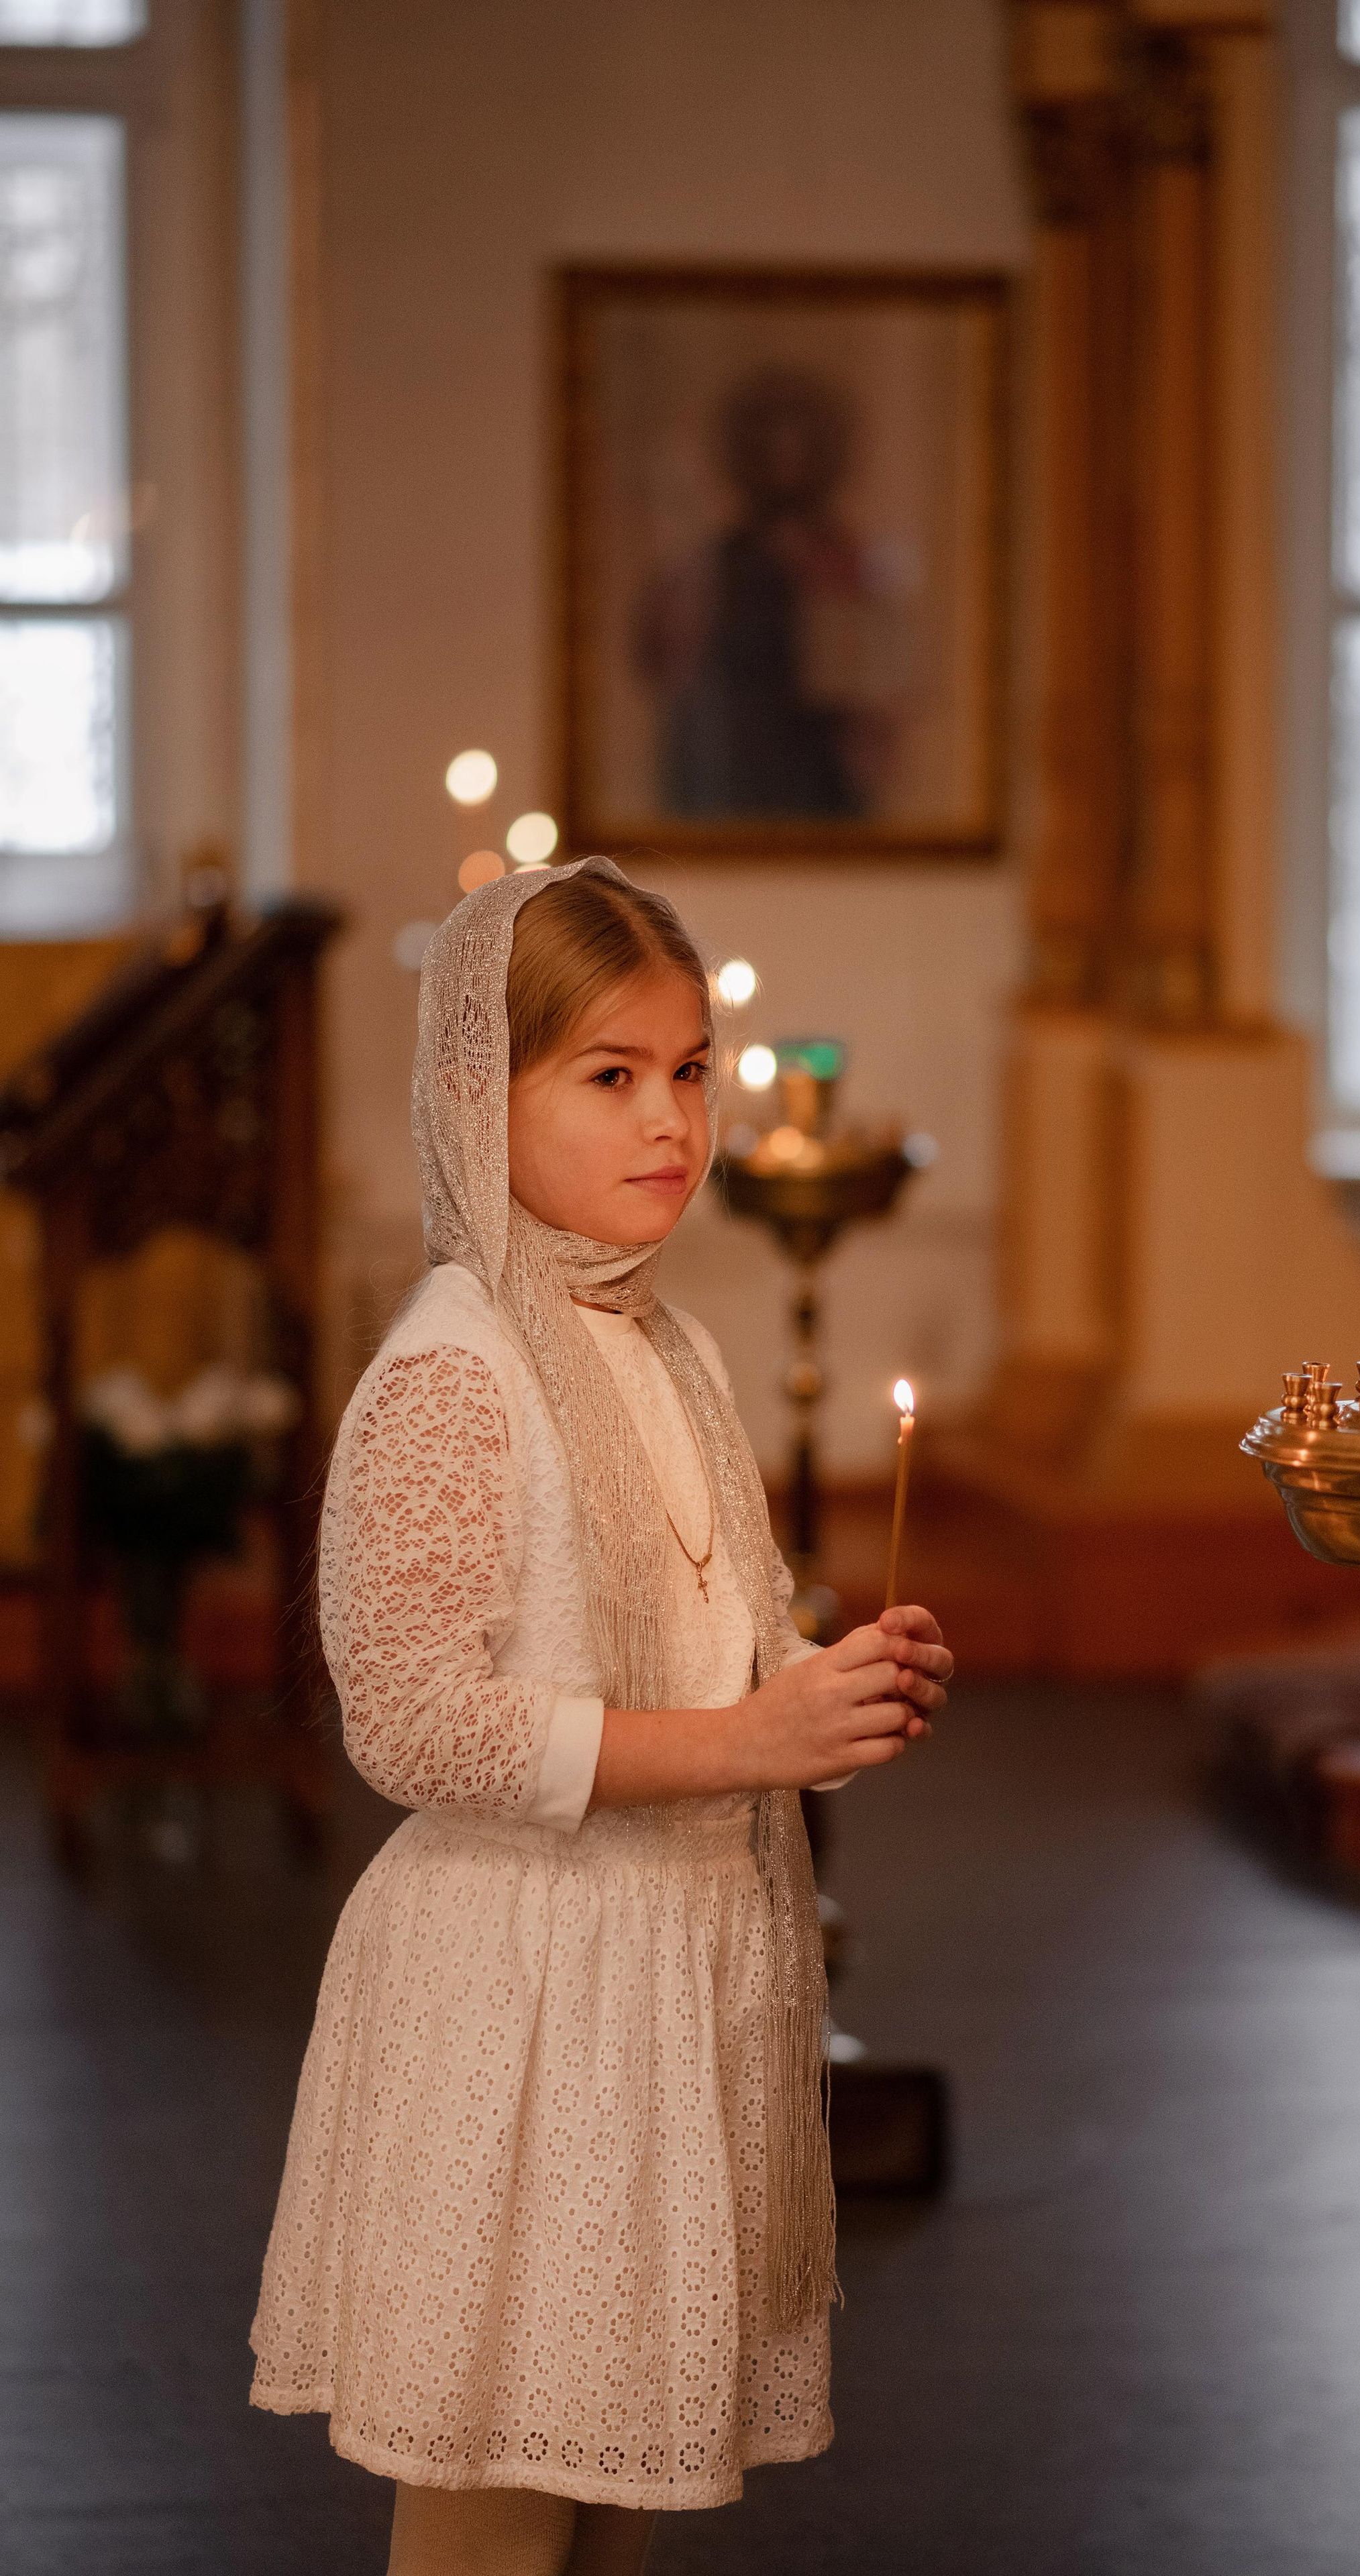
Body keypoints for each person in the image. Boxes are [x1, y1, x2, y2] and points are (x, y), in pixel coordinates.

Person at [249, 857, 951, 2575]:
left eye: (691, 1068)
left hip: (672, 1986)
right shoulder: (451, 1365)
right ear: (479, 1096)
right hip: (523, 2002)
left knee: (620, 2515)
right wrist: (744, 1744)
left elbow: (707, 1638)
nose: (670, 1120)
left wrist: (824, 1684)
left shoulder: (672, 1345)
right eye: (609, 1073)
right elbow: (418, 1728)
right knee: (494, 2523)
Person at [632, 366, 914, 822]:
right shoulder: (710, 563)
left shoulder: (850, 558)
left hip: (817, 767)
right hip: (730, 759)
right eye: (773, 448)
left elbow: (880, 674)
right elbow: (664, 660)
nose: (787, 462)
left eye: (800, 448)